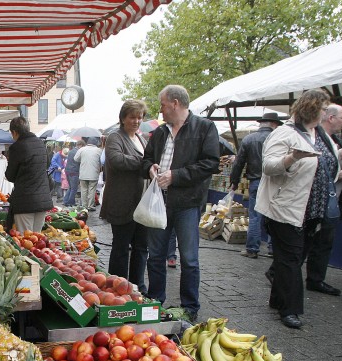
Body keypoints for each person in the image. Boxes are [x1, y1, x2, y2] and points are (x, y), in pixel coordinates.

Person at [142, 85, 220, 321]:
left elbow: (210, 163)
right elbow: (146, 159)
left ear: (175, 104)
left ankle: (190, 307)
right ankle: (155, 301)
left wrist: (175, 176)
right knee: (155, 255)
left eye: (163, 105)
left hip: (187, 202)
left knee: (189, 258)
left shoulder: (204, 127)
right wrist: (150, 168)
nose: (161, 110)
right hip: (160, 201)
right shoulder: (160, 132)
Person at [257, 89, 331, 329]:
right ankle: (289, 309)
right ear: (312, 108)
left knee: (294, 257)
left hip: (311, 208)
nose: (325, 114)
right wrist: (292, 157)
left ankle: (277, 298)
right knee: (290, 258)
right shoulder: (285, 133)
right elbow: (269, 166)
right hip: (285, 206)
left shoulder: (319, 133)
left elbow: (326, 161)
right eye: (323, 109)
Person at [302, 104, 342, 296]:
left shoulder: (334, 140)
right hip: (316, 200)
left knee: (323, 241)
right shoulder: (314, 138)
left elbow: (334, 165)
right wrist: (337, 175)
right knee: (307, 240)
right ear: (331, 118)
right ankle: (279, 274)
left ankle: (315, 279)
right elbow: (314, 167)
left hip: (331, 199)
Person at [100, 99, 150, 293]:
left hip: (141, 202)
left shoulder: (141, 139)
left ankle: (138, 287)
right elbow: (117, 160)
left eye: (139, 117)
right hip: (122, 202)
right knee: (121, 247)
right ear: (122, 118)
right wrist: (144, 163)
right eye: (132, 117)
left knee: (141, 247)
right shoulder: (115, 137)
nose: (136, 121)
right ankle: (117, 287)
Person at [230, 112, 283, 258]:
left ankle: (252, 248)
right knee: (274, 216)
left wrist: (234, 181)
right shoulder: (278, 138)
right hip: (275, 182)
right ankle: (273, 248)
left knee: (255, 216)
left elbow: (238, 162)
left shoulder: (249, 139)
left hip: (256, 181)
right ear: (274, 124)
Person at [4, 117, 52, 233]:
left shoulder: (17, 147)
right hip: (42, 199)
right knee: (37, 237)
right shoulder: (41, 144)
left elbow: (10, 175)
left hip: (25, 200)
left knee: (25, 238)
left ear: (15, 132)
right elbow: (47, 165)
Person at [75, 137, 102, 210]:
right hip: (94, 174)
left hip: (83, 173)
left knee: (83, 190)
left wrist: (83, 159)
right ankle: (90, 206)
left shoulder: (81, 149)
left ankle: (84, 206)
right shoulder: (99, 150)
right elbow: (102, 161)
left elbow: (76, 159)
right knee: (92, 190)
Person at [63, 140, 83, 206]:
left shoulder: (71, 151)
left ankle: (65, 201)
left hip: (67, 171)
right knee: (74, 188)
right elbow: (79, 162)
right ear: (80, 145)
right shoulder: (78, 152)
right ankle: (70, 202)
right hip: (74, 171)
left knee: (70, 187)